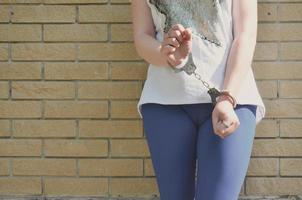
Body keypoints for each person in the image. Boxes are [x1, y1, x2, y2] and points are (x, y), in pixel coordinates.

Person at [131, 0, 266, 200]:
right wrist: (165, 55)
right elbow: (142, 36)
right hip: (164, 100)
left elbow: (245, 35)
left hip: (233, 100)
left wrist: (227, 98)